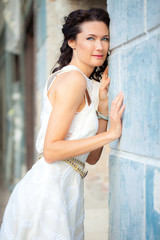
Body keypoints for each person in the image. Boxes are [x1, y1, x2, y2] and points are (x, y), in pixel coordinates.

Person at [0, 8, 125, 240]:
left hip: (65, 188)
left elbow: (91, 157)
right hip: (47, 193)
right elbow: (51, 150)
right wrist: (112, 134)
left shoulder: (84, 84)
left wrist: (103, 111)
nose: (100, 46)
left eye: (104, 38)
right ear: (72, 42)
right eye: (90, 38)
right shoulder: (73, 80)